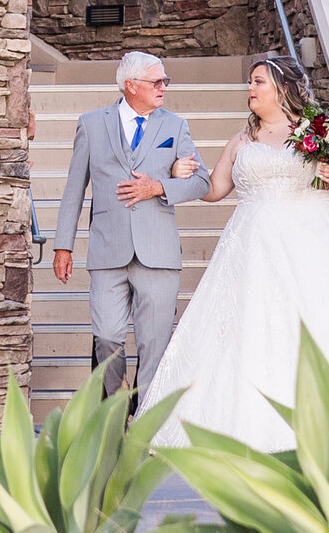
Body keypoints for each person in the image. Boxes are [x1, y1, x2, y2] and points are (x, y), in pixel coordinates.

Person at [137, 53, 329, 450]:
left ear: (283, 88)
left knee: (320, 326)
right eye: (250, 82)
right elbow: (215, 190)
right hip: (250, 246)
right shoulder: (242, 139)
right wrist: (174, 176)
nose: (250, 89)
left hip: (313, 244)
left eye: (258, 82)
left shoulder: (320, 133)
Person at [52, 50, 211, 401]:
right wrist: (63, 246)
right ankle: (117, 403)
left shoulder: (174, 126)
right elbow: (74, 188)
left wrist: (158, 186)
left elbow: (202, 182)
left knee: (154, 345)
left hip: (158, 253)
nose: (163, 87)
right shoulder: (92, 124)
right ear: (130, 85)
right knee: (107, 336)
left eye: (165, 80)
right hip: (108, 250)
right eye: (157, 81)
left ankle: (144, 420)